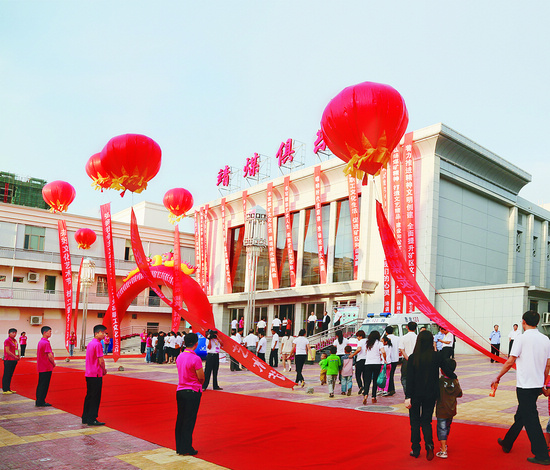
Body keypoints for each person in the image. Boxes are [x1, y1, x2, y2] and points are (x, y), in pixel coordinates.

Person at [492, 310, 550, 465]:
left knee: (531, 419)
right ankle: (507, 442)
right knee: (522, 415)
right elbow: (548, 365)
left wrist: (498, 377)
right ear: (537, 322)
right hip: (536, 385)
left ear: (523, 322)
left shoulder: (521, 338)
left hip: (525, 386)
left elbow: (510, 361)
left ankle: (542, 454)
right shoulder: (546, 339)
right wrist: (543, 383)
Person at [404, 330, 443, 460]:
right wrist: (453, 377)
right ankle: (429, 445)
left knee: (414, 422)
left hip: (415, 394)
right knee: (426, 421)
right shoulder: (436, 357)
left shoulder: (413, 358)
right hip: (430, 394)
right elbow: (447, 368)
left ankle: (415, 449)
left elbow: (409, 379)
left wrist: (408, 396)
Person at [175, 332, 204, 457]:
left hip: (180, 390)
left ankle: (180, 446)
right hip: (192, 391)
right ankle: (187, 447)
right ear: (196, 344)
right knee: (189, 420)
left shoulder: (180, 356)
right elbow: (201, 377)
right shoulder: (196, 358)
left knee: (181, 419)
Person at [435, 358, 463, 459]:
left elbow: (435, 394)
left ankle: (443, 450)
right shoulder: (455, 381)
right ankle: (444, 444)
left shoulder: (440, 381)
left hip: (442, 409)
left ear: (442, 370)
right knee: (447, 427)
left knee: (441, 429)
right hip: (451, 409)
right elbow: (459, 394)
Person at [82, 324, 107, 426]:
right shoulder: (98, 344)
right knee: (95, 397)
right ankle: (92, 418)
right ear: (97, 333)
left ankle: (85, 417)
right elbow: (101, 360)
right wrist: (104, 370)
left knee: (89, 396)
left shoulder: (90, 343)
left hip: (89, 373)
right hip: (96, 374)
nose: (104, 334)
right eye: (103, 332)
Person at [362, 330, 385, 405]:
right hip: (377, 363)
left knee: (367, 381)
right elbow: (383, 352)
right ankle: (373, 396)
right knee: (375, 380)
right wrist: (384, 359)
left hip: (368, 363)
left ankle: (365, 395)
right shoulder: (379, 343)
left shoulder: (367, 343)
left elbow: (366, 352)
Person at [36, 326, 56, 407]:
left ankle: (39, 400)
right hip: (46, 367)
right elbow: (49, 355)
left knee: (41, 384)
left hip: (42, 366)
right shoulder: (46, 343)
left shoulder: (41, 342)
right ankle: (41, 401)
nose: (51, 333)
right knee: (44, 385)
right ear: (44, 332)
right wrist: (53, 363)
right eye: (49, 331)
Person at [399, 321, 418, 397]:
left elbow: (402, 349)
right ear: (415, 328)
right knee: (415, 377)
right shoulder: (418, 337)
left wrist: (407, 358)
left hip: (406, 360)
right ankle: (414, 393)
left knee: (404, 377)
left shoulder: (403, 337)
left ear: (407, 327)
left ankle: (407, 394)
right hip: (416, 359)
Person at [349, 330, 367, 395]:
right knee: (365, 375)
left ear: (361, 336)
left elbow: (359, 349)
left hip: (360, 360)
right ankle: (365, 388)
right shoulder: (367, 341)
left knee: (358, 374)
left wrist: (353, 355)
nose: (357, 338)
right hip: (367, 360)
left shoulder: (361, 341)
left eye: (358, 336)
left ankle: (360, 386)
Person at [2, 328, 19, 394]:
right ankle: (5, 389)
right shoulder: (7, 341)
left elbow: (16, 349)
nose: (14, 334)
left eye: (15, 333)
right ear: (9, 333)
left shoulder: (15, 341)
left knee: (10, 375)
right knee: (7, 374)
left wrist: (17, 355)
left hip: (14, 360)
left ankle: (8, 388)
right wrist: (14, 356)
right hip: (8, 360)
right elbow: (7, 351)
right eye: (12, 333)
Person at [385, 326, 400, 396]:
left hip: (388, 359)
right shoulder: (397, 338)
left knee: (388, 375)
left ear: (386, 332)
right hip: (396, 358)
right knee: (391, 374)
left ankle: (390, 389)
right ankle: (391, 389)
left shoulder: (385, 339)